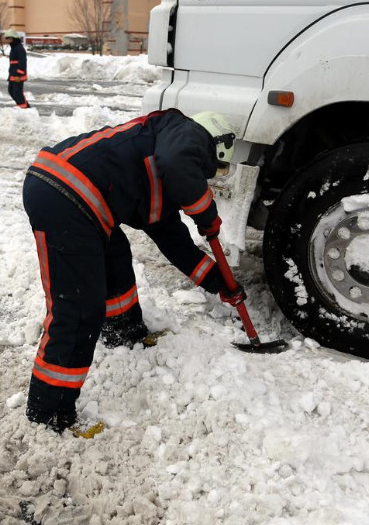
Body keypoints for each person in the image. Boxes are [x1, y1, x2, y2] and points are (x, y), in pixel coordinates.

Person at [22, 109, 245, 433]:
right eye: (210, 169)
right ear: (214, 146)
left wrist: (218, 282)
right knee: (79, 310)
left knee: (115, 254)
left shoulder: (160, 152)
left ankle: (123, 331)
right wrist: (206, 214)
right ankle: (48, 415)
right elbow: (179, 163)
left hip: (79, 197)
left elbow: (175, 242)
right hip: (64, 195)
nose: (206, 176)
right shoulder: (186, 134)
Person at [3, 29, 29, 108]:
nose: (8, 40)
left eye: (9, 38)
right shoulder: (14, 48)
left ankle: (25, 108)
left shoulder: (19, 48)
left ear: (14, 38)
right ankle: (22, 105)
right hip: (13, 74)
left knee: (17, 92)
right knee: (11, 91)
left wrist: (19, 73)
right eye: (7, 39)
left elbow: (22, 61)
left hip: (18, 75)